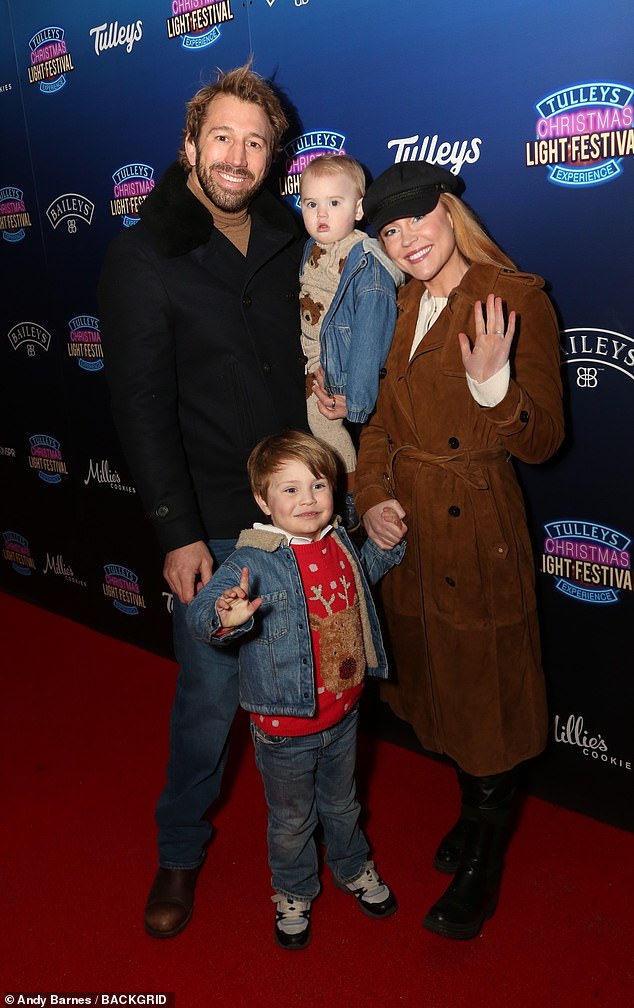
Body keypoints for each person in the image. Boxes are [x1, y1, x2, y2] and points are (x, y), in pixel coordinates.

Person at [98, 63, 309, 939]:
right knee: (208, 702)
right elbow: (141, 408)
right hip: (219, 526)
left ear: (273, 158)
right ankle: (179, 850)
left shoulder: (289, 232)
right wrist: (177, 535)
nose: (237, 155)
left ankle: (309, 847)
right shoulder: (144, 255)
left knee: (307, 695)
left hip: (304, 508)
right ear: (189, 145)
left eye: (256, 142)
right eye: (221, 136)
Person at [354, 160, 564, 940]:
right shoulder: (404, 302)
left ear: (448, 212)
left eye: (415, 220)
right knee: (439, 687)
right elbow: (376, 426)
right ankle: (476, 818)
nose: (406, 239)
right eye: (390, 230)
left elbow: (544, 440)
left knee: (487, 696)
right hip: (409, 526)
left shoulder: (516, 298)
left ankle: (485, 855)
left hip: (477, 526)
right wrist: (371, 496)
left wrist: (494, 388)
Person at [186, 431, 404, 949]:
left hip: (344, 714)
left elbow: (361, 580)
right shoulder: (252, 561)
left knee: (344, 804)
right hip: (285, 728)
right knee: (291, 819)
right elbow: (201, 616)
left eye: (318, 485)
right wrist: (227, 617)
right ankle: (293, 889)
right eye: (289, 490)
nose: (307, 500)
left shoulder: (338, 540)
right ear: (263, 499)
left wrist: (387, 544)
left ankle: (353, 867)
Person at [298, 155, 402, 528]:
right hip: (315, 361)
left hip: (340, 376)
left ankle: (353, 495)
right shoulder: (311, 249)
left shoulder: (366, 264)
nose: (320, 214)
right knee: (316, 439)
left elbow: (368, 341)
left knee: (324, 428)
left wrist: (355, 401)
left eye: (334, 203)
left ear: (358, 209)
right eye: (311, 204)